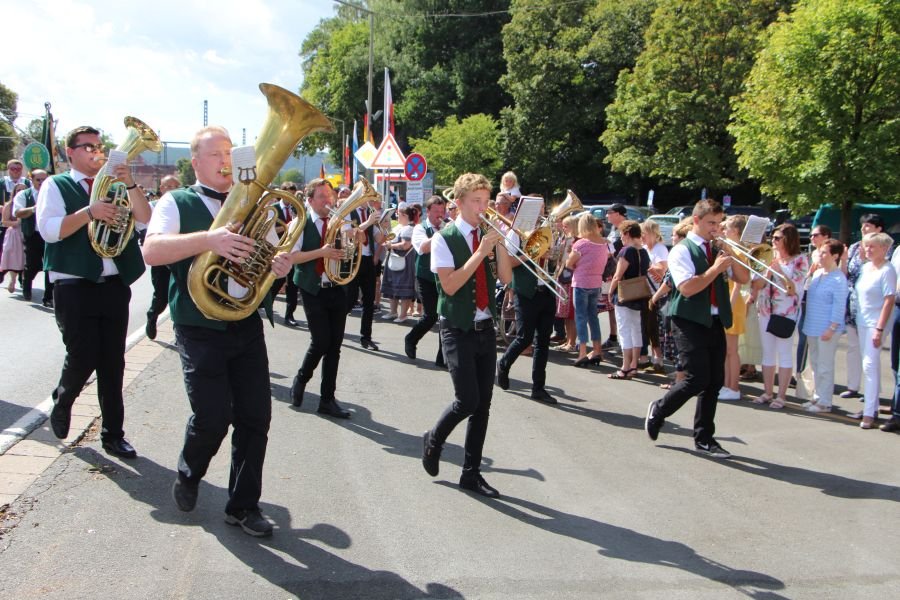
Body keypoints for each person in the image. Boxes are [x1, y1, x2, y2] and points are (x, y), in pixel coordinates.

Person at [142, 125, 291, 536]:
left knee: (255, 418)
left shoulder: (255, 203)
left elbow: (273, 253)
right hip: (198, 326)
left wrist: (279, 266)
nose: (225, 161)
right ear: (196, 163)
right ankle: (190, 472)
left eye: (229, 153)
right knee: (212, 417)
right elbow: (151, 251)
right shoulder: (176, 201)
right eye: (215, 155)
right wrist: (210, 240)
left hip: (245, 323)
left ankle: (243, 506)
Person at [37, 125, 151, 459]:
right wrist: (90, 212)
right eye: (87, 146)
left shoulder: (117, 186)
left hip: (113, 285)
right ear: (70, 152)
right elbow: (49, 230)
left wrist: (130, 183)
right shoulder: (56, 185)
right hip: (74, 285)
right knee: (82, 354)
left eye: (98, 146)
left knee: (113, 363)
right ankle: (64, 398)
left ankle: (113, 435)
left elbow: (146, 220)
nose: (95, 152)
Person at [421, 173, 513, 498]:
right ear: (459, 203)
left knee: (483, 406)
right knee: (467, 400)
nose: (483, 207)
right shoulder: (443, 239)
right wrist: (481, 250)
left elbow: (505, 277)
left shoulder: (485, 236)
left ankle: (471, 474)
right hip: (457, 328)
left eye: (486, 201)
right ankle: (434, 439)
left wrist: (499, 243)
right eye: (476, 201)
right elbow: (449, 286)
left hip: (485, 328)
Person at [644, 200, 749, 458]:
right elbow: (687, 288)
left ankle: (704, 438)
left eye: (719, 223)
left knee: (714, 381)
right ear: (697, 220)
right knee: (696, 378)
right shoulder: (682, 250)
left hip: (715, 319)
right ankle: (659, 409)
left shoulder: (718, 248)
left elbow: (743, 278)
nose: (716, 228)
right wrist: (715, 269)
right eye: (711, 223)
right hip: (689, 319)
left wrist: (731, 253)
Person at [286, 178, 353, 419]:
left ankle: (327, 400)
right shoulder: (300, 223)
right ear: (310, 200)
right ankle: (301, 378)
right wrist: (321, 253)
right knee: (321, 341)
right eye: (322, 196)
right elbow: (292, 257)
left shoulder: (338, 222)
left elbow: (347, 252)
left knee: (335, 346)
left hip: (336, 287)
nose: (328, 200)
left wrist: (351, 243)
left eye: (330, 195)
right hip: (312, 288)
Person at [496, 203, 559, 405]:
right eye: (537, 208)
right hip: (526, 292)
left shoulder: (547, 231)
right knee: (524, 338)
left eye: (543, 208)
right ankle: (503, 364)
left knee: (543, 342)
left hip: (547, 290)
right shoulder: (516, 232)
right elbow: (508, 262)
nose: (542, 213)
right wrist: (532, 254)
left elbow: (552, 262)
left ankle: (538, 388)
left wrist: (553, 256)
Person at [751, 224, 807, 409]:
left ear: (788, 240)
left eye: (777, 238)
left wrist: (778, 271)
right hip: (765, 310)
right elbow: (757, 285)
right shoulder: (769, 257)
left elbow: (793, 289)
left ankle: (781, 396)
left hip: (786, 312)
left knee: (784, 353)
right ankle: (767, 392)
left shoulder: (799, 260)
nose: (773, 241)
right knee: (767, 353)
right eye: (772, 237)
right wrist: (766, 270)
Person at [853, 232, 896, 429]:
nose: (868, 249)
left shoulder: (887, 270)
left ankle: (869, 413)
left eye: (873, 246)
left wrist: (879, 328)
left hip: (875, 323)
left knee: (869, 365)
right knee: (869, 364)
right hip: (862, 321)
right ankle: (873, 406)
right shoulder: (866, 267)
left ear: (884, 249)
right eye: (867, 245)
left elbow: (889, 300)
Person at [841, 214, 886, 399]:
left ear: (878, 229)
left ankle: (871, 392)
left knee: (870, 353)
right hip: (853, 304)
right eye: (862, 226)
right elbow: (846, 275)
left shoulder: (884, 249)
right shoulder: (854, 247)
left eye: (868, 226)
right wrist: (844, 260)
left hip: (872, 308)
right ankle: (853, 386)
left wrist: (865, 259)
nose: (863, 229)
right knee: (853, 347)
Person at [801, 238, 848, 413]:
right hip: (812, 325)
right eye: (819, 252)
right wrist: (809, 273)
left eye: (824, 253)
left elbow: (839, 306)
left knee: (825, 366)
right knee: (815, 364)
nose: (820, 256)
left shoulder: (839, 279)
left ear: (835, 256)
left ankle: (825, 402)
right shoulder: (818, 273)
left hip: (827, 328)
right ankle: (817, 397)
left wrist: (832, 328)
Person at [405, 195, 447, 366]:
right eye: (436, 211)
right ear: (428, 212)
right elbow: (423, 248)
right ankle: (411, 338)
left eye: (442, 211)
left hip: (444, 277)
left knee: (445, 317)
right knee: (431, 316)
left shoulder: (446, 225)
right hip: (425, 278)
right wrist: (443, 233)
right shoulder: (420, 228)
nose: (440, 214)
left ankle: (442, 358)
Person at [608, 220, 651, 379]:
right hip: (639, 293)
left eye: (622, 234)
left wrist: (610, 291)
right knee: (636, 329)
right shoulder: (643, 251)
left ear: (627, 234)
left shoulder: (626, 251)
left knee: (624, 330)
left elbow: (618, 275)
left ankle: (625, 366)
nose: (621, 237)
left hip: (625, 294)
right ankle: (634, 365)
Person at [566, 213, 608, 367]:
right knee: (593, 317)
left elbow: (569, 264)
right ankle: (597, 350)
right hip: (596, 283)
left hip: (581, 283)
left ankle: (582, 352)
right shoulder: (603, 243)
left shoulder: (581, 244)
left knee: (581, 318)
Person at [344, 190, 384, 350]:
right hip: (353, 260)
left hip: (367, 260)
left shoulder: (370, 213)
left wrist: (383, 228)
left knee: (369, 301)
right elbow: (348, 234)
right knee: (350, 299)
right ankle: (335, 328)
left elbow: (378, 238)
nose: (371, 200)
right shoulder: (349, 211)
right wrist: (368, 222)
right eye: (368, 197)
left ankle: (366, 337)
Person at [144, 174, 181, 339]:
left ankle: (178, 329)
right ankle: (152, 316)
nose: (172, 190)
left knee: (180, 295)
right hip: (161, 260)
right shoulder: (153, 206)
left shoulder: (183, 205)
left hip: (179, 258)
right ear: (161, 188)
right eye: (168, 186)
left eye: (176, 187)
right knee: (161, 297)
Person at [719, 215, 748, 400]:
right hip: (727, 301)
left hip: (733, 303)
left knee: (731, 349)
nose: (724, 231)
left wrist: (728, 306)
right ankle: (726, 384)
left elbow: (738, 283)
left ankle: (734, 387)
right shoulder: (730, 249)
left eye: (727, 228)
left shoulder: (739, 251)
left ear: (736, 231)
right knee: (725, 350)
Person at [13, 170, 51, 303]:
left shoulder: (52, 193)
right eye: (38, 180)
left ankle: (48, 297)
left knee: (49, 266)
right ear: (32, 180)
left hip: (49, 234)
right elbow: (17, 212)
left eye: (44, 180)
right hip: (32, 234)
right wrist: (34, 208)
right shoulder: (24, 194)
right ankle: (26, 285)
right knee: (33, 264)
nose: (41, 182)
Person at [641, 219, 669, 374]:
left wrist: (649, 266)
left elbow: (663, 268)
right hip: (646, 291)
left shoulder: (660, 248)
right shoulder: (646, 248)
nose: (642, 236)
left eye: (644, 233)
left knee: (654, 326)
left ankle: (658, 359)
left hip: (656, 292)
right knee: (648, 326)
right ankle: (654, 359)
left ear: (652, 233)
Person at [381, 203, 416, 321]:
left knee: (404, 289)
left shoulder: (409, 228)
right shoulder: (400, 227)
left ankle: (403, 315)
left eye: (399, 214)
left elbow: (406, 245)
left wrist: (391, 245)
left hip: (404, 261)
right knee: (392, 286)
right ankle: (393, 312)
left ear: (405, 215)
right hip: (395, 259)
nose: (397, 216)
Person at [602, 204, 628, 350]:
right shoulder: (614, 228)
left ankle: (627, 345)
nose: (607, 215)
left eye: (609, 212)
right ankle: (613, 337)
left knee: (623, 310)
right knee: (613, 307)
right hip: (614, 271)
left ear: (618, 214)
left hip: (624, 274)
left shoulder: (627, 228)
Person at [1, 184, 26, 292]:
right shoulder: (9, 205)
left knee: (25, 258)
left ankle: (24, 280)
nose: (21, 192)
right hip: (14, 233)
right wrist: (17, 223)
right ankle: (13, 280)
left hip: (27, 233)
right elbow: (4, 222)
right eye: (18, 190)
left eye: (23, 190)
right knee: (13, 257)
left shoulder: (30, 203)